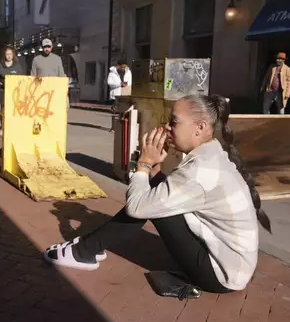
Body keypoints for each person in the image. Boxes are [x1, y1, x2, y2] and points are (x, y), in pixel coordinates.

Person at [43, 94, 272, 294]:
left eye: (174, 122)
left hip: (221, 276)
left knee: (149, 203)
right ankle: (87, 248)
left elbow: (138, 207)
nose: (167, 128)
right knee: (154, 198)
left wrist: (143, 163)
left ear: (199, 127)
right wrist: (153, 170)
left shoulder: (201, 171)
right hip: (233, 266)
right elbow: (168, 193)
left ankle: (85, 250)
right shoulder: (210, 155)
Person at [0, 46, 25, 135]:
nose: (9, 56)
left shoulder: (17, 66)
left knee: (14, 110)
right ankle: (3, 128)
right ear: (4, 55)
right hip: (3, 91)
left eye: (10, 54)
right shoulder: (0, 65)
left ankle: (14, 128)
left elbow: (22, 78)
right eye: (7, 54)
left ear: (13, 55)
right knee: (3, 110)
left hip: (15, 91)